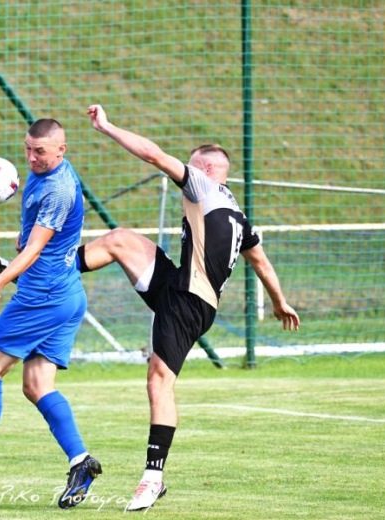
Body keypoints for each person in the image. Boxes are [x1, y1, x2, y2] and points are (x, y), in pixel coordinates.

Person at [79, 105, 300, 512]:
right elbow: (262, 263)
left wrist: (107, 127)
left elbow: (153, 155)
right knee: (120, 240)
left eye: (192, 166)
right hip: (180, 287)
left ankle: (153, 478)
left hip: (189, 301)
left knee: (159, 380)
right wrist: (279, 301)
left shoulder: (203, 186)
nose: (185, 173)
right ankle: (44, 270)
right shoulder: (239, 215)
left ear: (209, 170)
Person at [0, 118, 102, 509]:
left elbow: (33, 251)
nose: (31, 157)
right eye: (27, 148)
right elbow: (37, 237)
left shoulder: (59, 188)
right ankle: (82, 462)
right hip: (66, 294)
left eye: (40, 151)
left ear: (62, 150)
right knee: (37, 386)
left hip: (41, 296)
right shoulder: (46, 175)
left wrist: (1, 280)